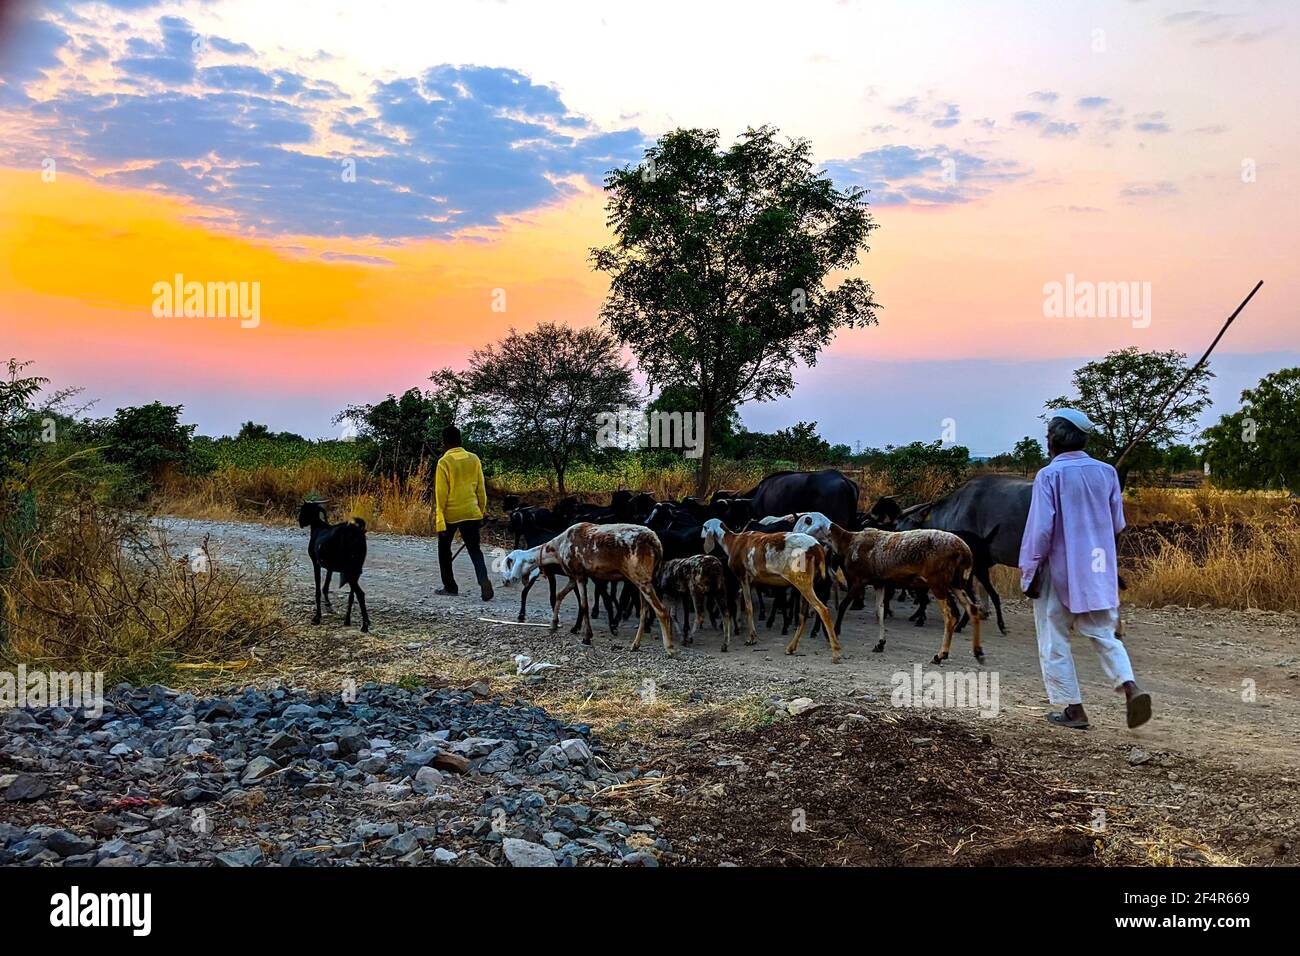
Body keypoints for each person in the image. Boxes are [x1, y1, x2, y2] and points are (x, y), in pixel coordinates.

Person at [1019, 408, 1151, 730]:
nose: (1047, 441)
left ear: (1055, 439)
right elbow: (1117, 525)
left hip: (1059, 570)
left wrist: (1029, 571)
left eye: (1048, 436)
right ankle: (1130, 687)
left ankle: (1074, 710)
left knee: (1054, 638)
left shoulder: (1049, 476)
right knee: (1104, 634)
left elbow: (1040, 532)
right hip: (1097, 569)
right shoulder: (1106, 472)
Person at [433, 424, 493, 601]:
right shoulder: (474, 459)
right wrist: (481, 512)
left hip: (451, 514)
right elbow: (481, 489)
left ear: (444, 442)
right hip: (471, 512)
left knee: (444, 552)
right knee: (475, 550)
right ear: (460, 440)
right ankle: (483, 581)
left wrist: (440, 520)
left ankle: (450, 587)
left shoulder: (444, 462)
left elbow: (441, 494)